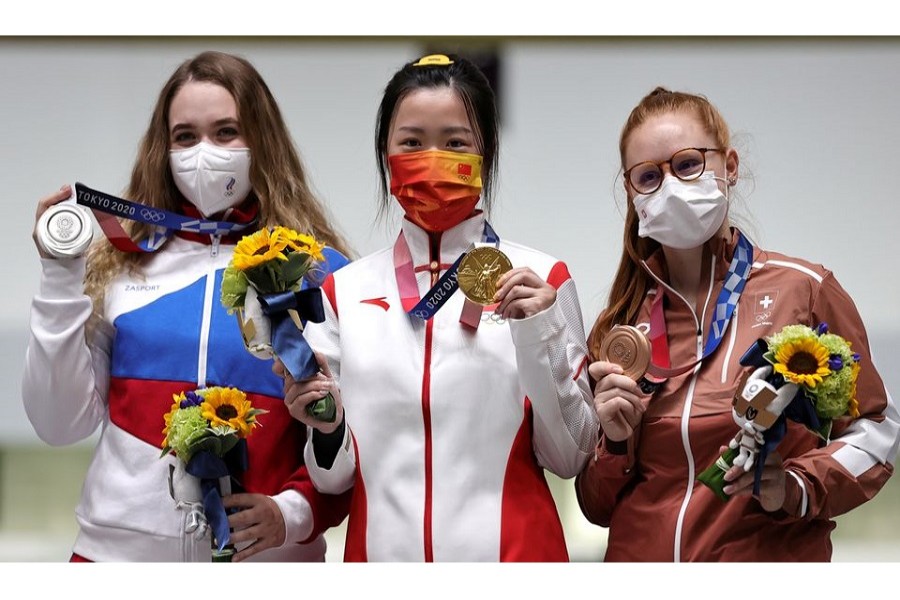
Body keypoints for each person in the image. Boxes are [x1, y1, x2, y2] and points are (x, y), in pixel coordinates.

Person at [22, 50, 353, 562]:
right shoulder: (120, 265)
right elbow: (58, 422)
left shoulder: (317, 272)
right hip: (116, 558)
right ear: (163, 148)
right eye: (185, 136)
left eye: (226, 132)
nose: (204, 153)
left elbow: (352, 440)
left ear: (262, 141)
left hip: (265, 564)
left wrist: (292, 514)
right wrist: (59, 275)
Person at [278, 53, 599, 562]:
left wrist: (539, 332)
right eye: (411, 142)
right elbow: (334, 477)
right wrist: (325, 423)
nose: (432, 158)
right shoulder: (343, 293)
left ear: (485, 155)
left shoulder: (544, 279)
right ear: (386, 156)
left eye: (454, 143)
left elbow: (570, 455)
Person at [575, 86, 900, 561]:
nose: (670, 186)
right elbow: (595, 505)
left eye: (687, 165)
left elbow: (876, 430)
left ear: (728, 166)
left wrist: (796, 486)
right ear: (632, 191)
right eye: (649, 176)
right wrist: (616, 445)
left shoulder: (803, 290)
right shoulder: (621, 325)